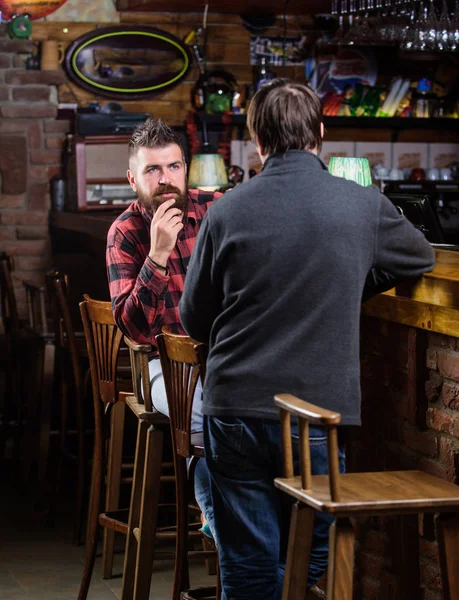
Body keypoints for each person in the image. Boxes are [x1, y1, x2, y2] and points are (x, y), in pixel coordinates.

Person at [179, 79, 436, 600]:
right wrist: (347, 285)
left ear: (257, 140)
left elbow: (191, 317)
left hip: (233, 405)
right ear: (321, 133)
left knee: (249, 566)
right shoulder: (362, 204)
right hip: (314, 413)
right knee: (309, 556)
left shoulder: (225, 210)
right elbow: (420, 256)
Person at [106, 117, 221, 526]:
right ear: (132, 179)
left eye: (173, 167)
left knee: (247, 411)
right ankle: (221, 522)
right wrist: (157, 256)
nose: (166, 179)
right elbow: (134, 331)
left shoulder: (216, 209)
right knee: (205, 416)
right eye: (152, 170)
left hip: (222, 356)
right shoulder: (125, 232)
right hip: (161, 364)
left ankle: (243, 524)